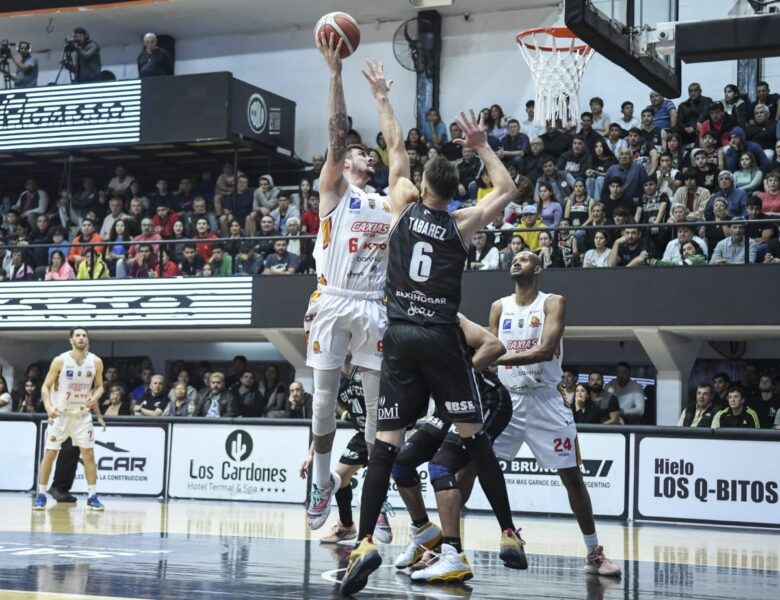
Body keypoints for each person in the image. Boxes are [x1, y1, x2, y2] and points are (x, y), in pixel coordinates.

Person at [340, 106, 522, 595]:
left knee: (386, 445)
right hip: (443, 336)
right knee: (475, 438)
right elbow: (506, 190)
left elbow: (395, 148)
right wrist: (482, 145)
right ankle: (508, 532)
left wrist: (381, 96)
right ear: (453, 192)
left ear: (422, 186)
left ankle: (363, 543)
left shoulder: (401, 206)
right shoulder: (460, 224)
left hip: (399, 335)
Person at [302, 40, 393, 533]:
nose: (364, 156)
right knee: (322, 402)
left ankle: (374, 502)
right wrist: (336, 74)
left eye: (365, 152)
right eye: (359, 151)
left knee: (380, 417)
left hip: (373, 304)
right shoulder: (336, 189)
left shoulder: (384, 203)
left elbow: (397, 159)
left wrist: (386, 102)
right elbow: (337, 137)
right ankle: (320, 483)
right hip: (334, 299)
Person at [489, 251, 621, 578]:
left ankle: (593, 551)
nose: (516, 261)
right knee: (467, 465)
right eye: (514, 257)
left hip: (546, 400)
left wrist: (497, 361)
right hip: (506, 400)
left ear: (538, 269)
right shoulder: (498, 307)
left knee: (572, 478)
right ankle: (446, 547)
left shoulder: (552, 303)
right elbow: (487, 350)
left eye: (524, 258)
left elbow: (546, 349)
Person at [33, 327, 106, 511]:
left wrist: (95, 397)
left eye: (84, 335)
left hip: (82, 416)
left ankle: (93, 496)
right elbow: (45, 387)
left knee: (88, 455)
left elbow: (100, 387)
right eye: (78, 335)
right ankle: (41, 494)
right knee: (50, 454)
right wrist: (49, 407)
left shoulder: (96, 361)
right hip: (60, 415)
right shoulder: (60, 361)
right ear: (71, 340)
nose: (81, 338)